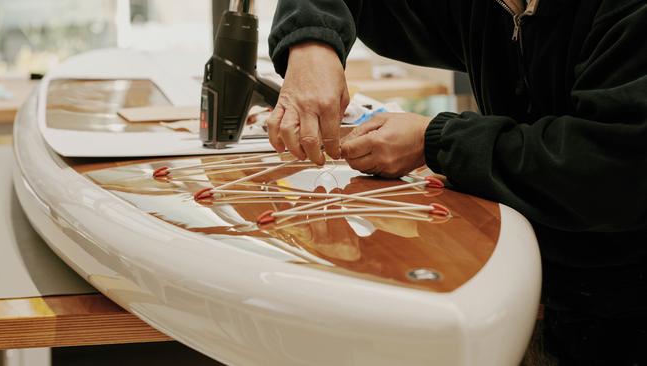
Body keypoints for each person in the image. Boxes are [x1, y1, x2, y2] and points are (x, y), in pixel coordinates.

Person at [266, 0, 647, 364]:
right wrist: (310, 41)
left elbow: (613, 168)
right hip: (521, 281)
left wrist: (436, 140)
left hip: (622, 311)